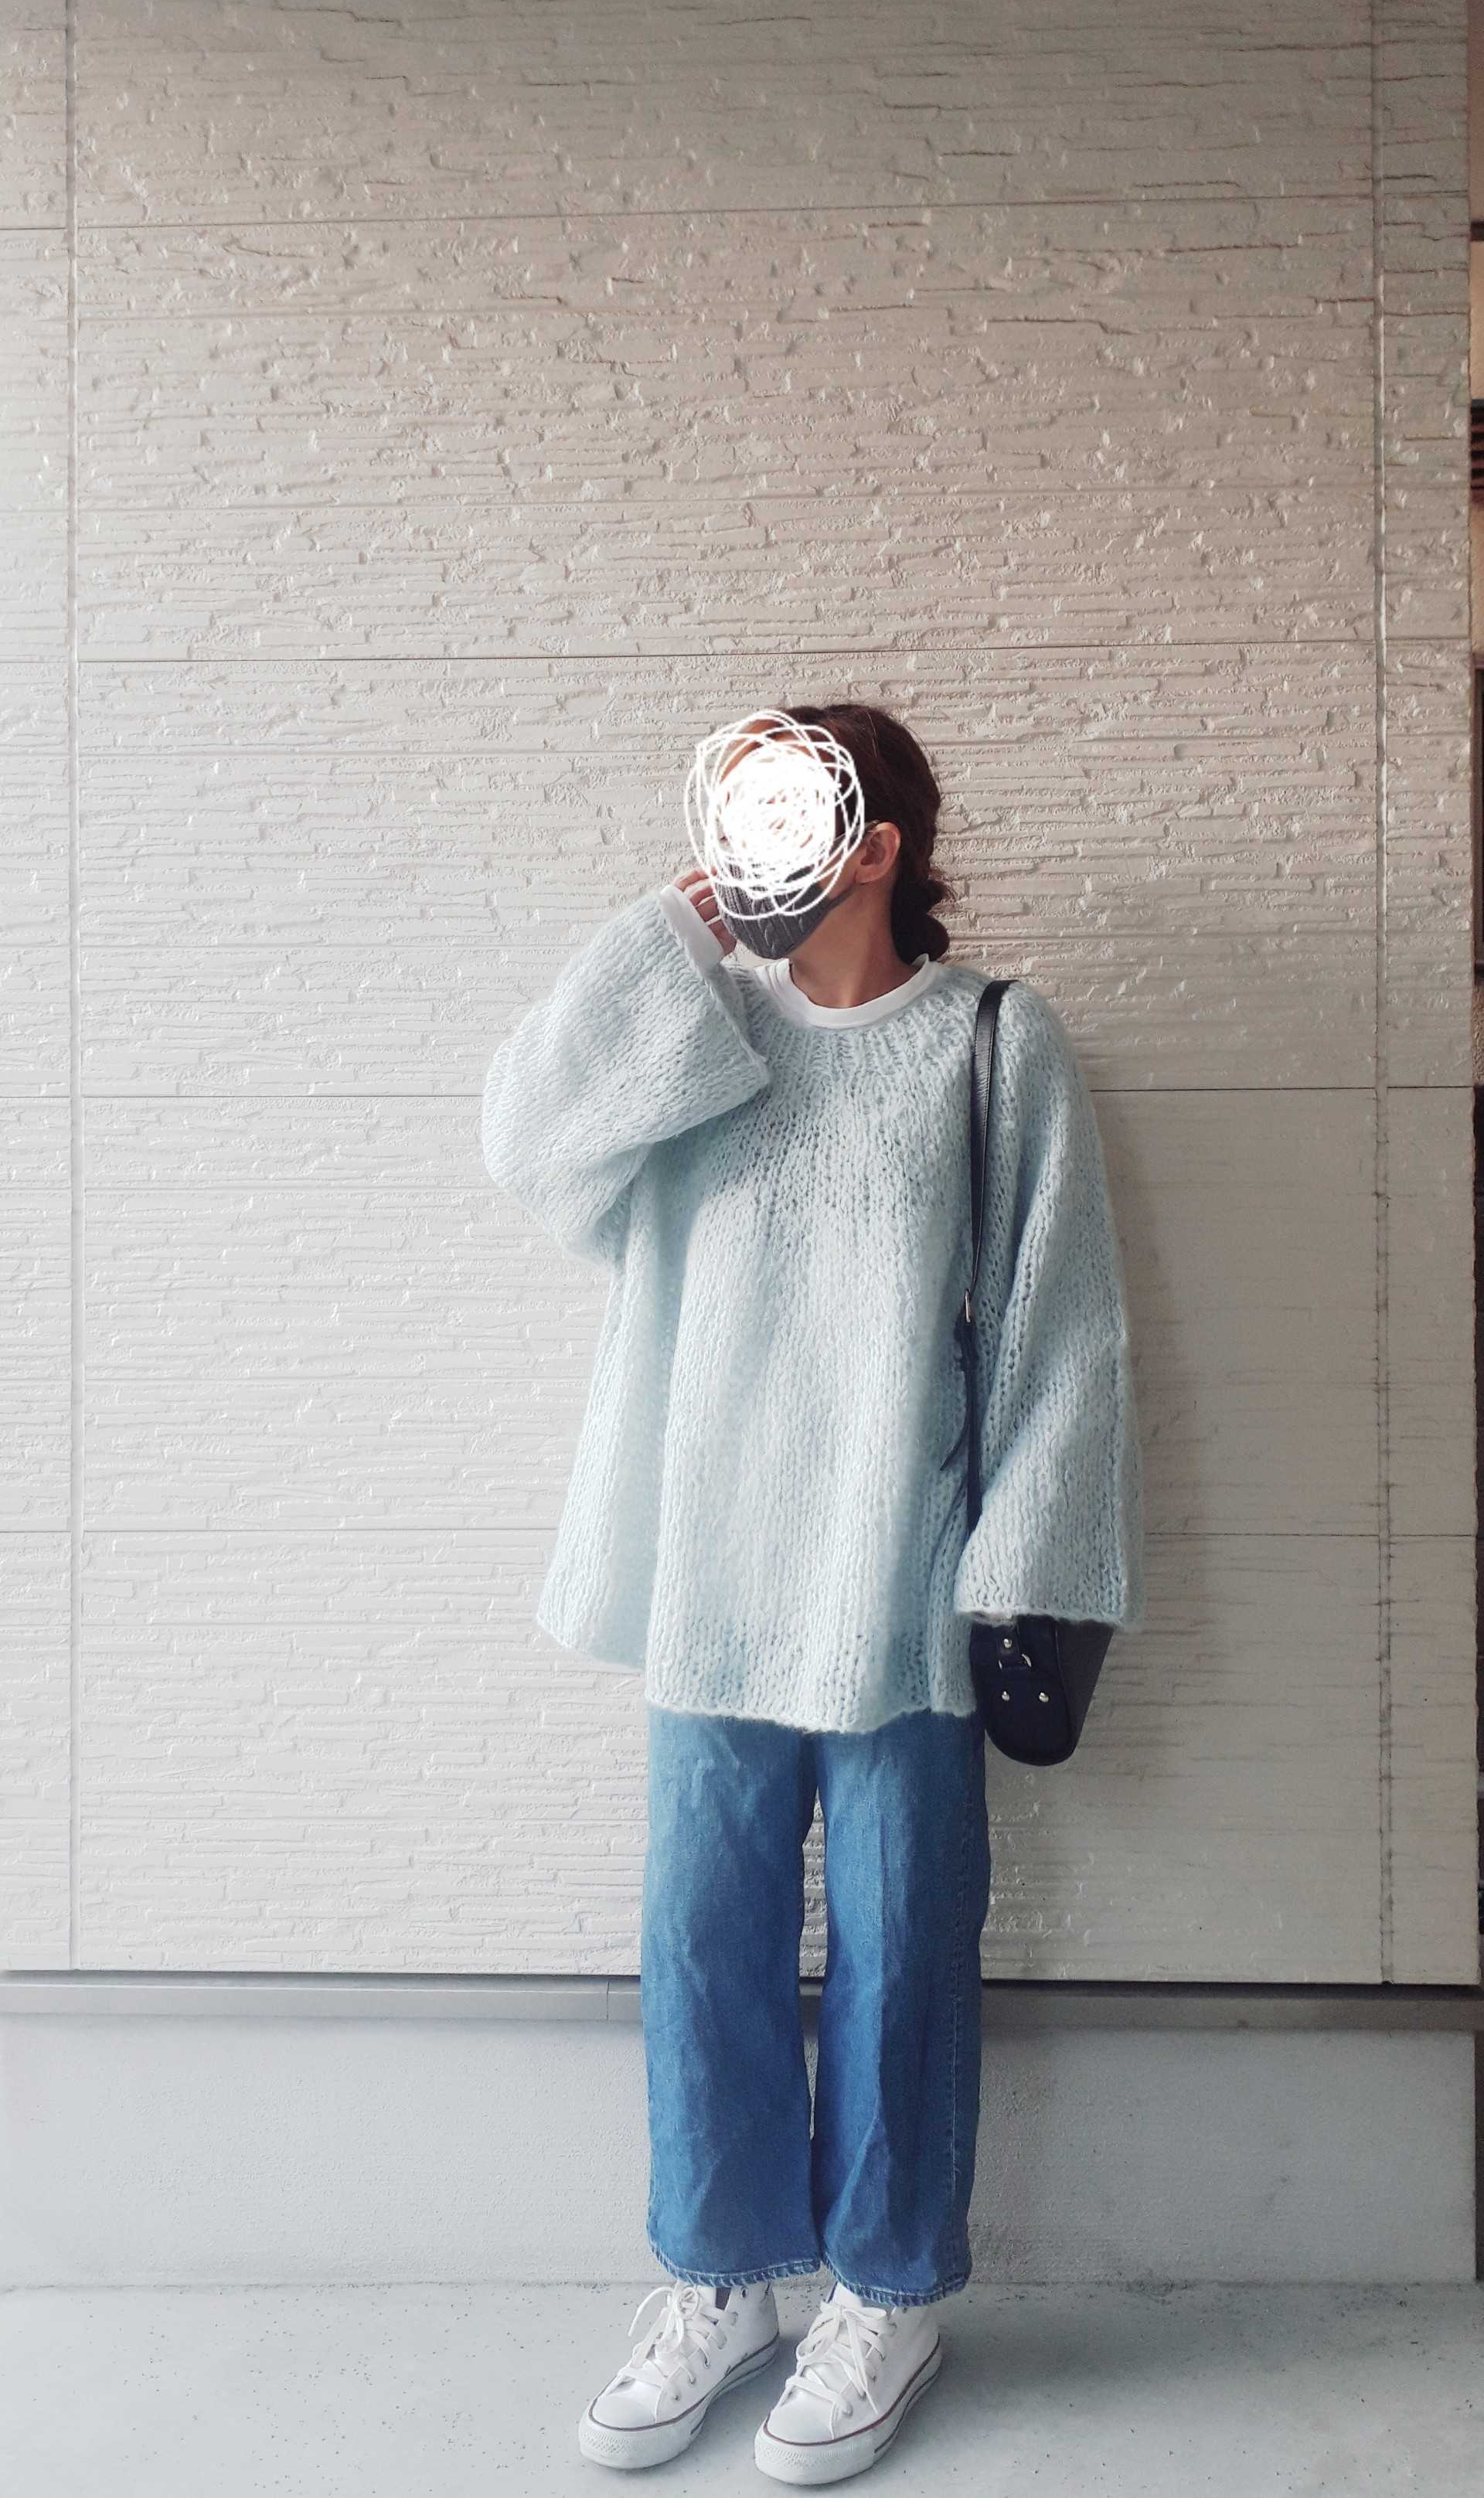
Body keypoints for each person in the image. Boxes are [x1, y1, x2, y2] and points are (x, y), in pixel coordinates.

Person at [480, 703, 1145, 2481]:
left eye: (787, 813)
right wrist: (665, 940)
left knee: (903, 1948)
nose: (752, 845)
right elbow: (530, 1146)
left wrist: (1018, 1566)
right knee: (701, 1937)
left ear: (878, 845)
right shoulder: (698, 1030)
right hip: (710, 1572)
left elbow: (1062, 1332)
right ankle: (722, 2278)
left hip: (901, 1582)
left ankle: (889, 2292)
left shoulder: (992, 1044)